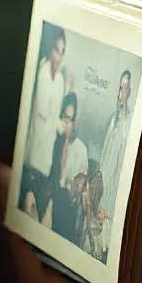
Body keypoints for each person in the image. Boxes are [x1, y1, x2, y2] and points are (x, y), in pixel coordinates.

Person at [21, 28, 67, 220]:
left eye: (62, 52)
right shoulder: (42, 73)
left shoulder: (60, 81)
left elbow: (55, 118)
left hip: (46, 161)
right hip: (33, 157)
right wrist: (57, 123)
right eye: (57, 50)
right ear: (50, 50)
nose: (59, 57)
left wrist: (63, 128)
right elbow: (44, 113)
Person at [45, 92, 89, 244]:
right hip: (52, 196)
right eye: (65, 118)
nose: (67, 124)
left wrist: (67, 139)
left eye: (71, 119)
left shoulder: (81, 149)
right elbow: (55, 178)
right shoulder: (54, 142)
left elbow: (79, 183)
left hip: (68, 202)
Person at [99, 69, 132, 217]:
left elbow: (120, 169)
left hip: (111, 201)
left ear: (129, 93)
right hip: (100, 192)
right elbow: (103, 158)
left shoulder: (129, 126)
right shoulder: (113, 120)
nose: (121, 95)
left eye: (124, 90)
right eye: (120, 89)